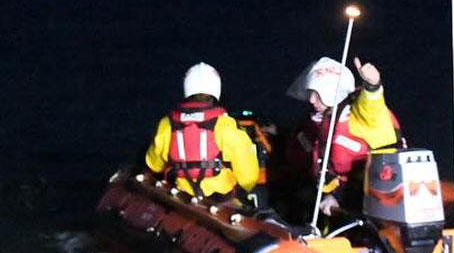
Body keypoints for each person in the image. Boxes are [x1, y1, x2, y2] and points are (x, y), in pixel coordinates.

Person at [285, 56, 401, 215]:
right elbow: (324, 167)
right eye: (311, 93)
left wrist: (373, 86)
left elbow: (372, 105)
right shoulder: (322, 122)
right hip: (343, 197)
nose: (311, 100)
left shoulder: (361, 116)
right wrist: (331, 195)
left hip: (378, 197)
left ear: (334, 93)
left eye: (318, 94)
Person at [145, 62, 260, 204]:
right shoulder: (226, 126)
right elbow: (249, 176)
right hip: (221, 203)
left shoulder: (167, 124)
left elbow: (153, 164)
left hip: (180, 200)